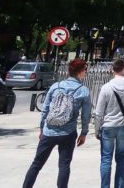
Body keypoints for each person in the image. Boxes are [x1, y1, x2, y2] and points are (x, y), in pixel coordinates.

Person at [23, 58, 91, 188]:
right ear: (81, 72)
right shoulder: (83, 91)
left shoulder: (56, 86)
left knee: (37, 163)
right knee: (64, 165)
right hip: (68, 133)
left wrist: (42, 128)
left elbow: (45, 110)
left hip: (49, 131)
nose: (86, 73)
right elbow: (86, 116)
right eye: (85, 70)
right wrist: (83, 133)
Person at [94, 58, 124, 188]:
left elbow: (98, 112)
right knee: (121, 159)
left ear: (112, 70)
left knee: (106, 159)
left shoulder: (106, 87)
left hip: (108, 126)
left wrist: (96, 129)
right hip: (123, 126)